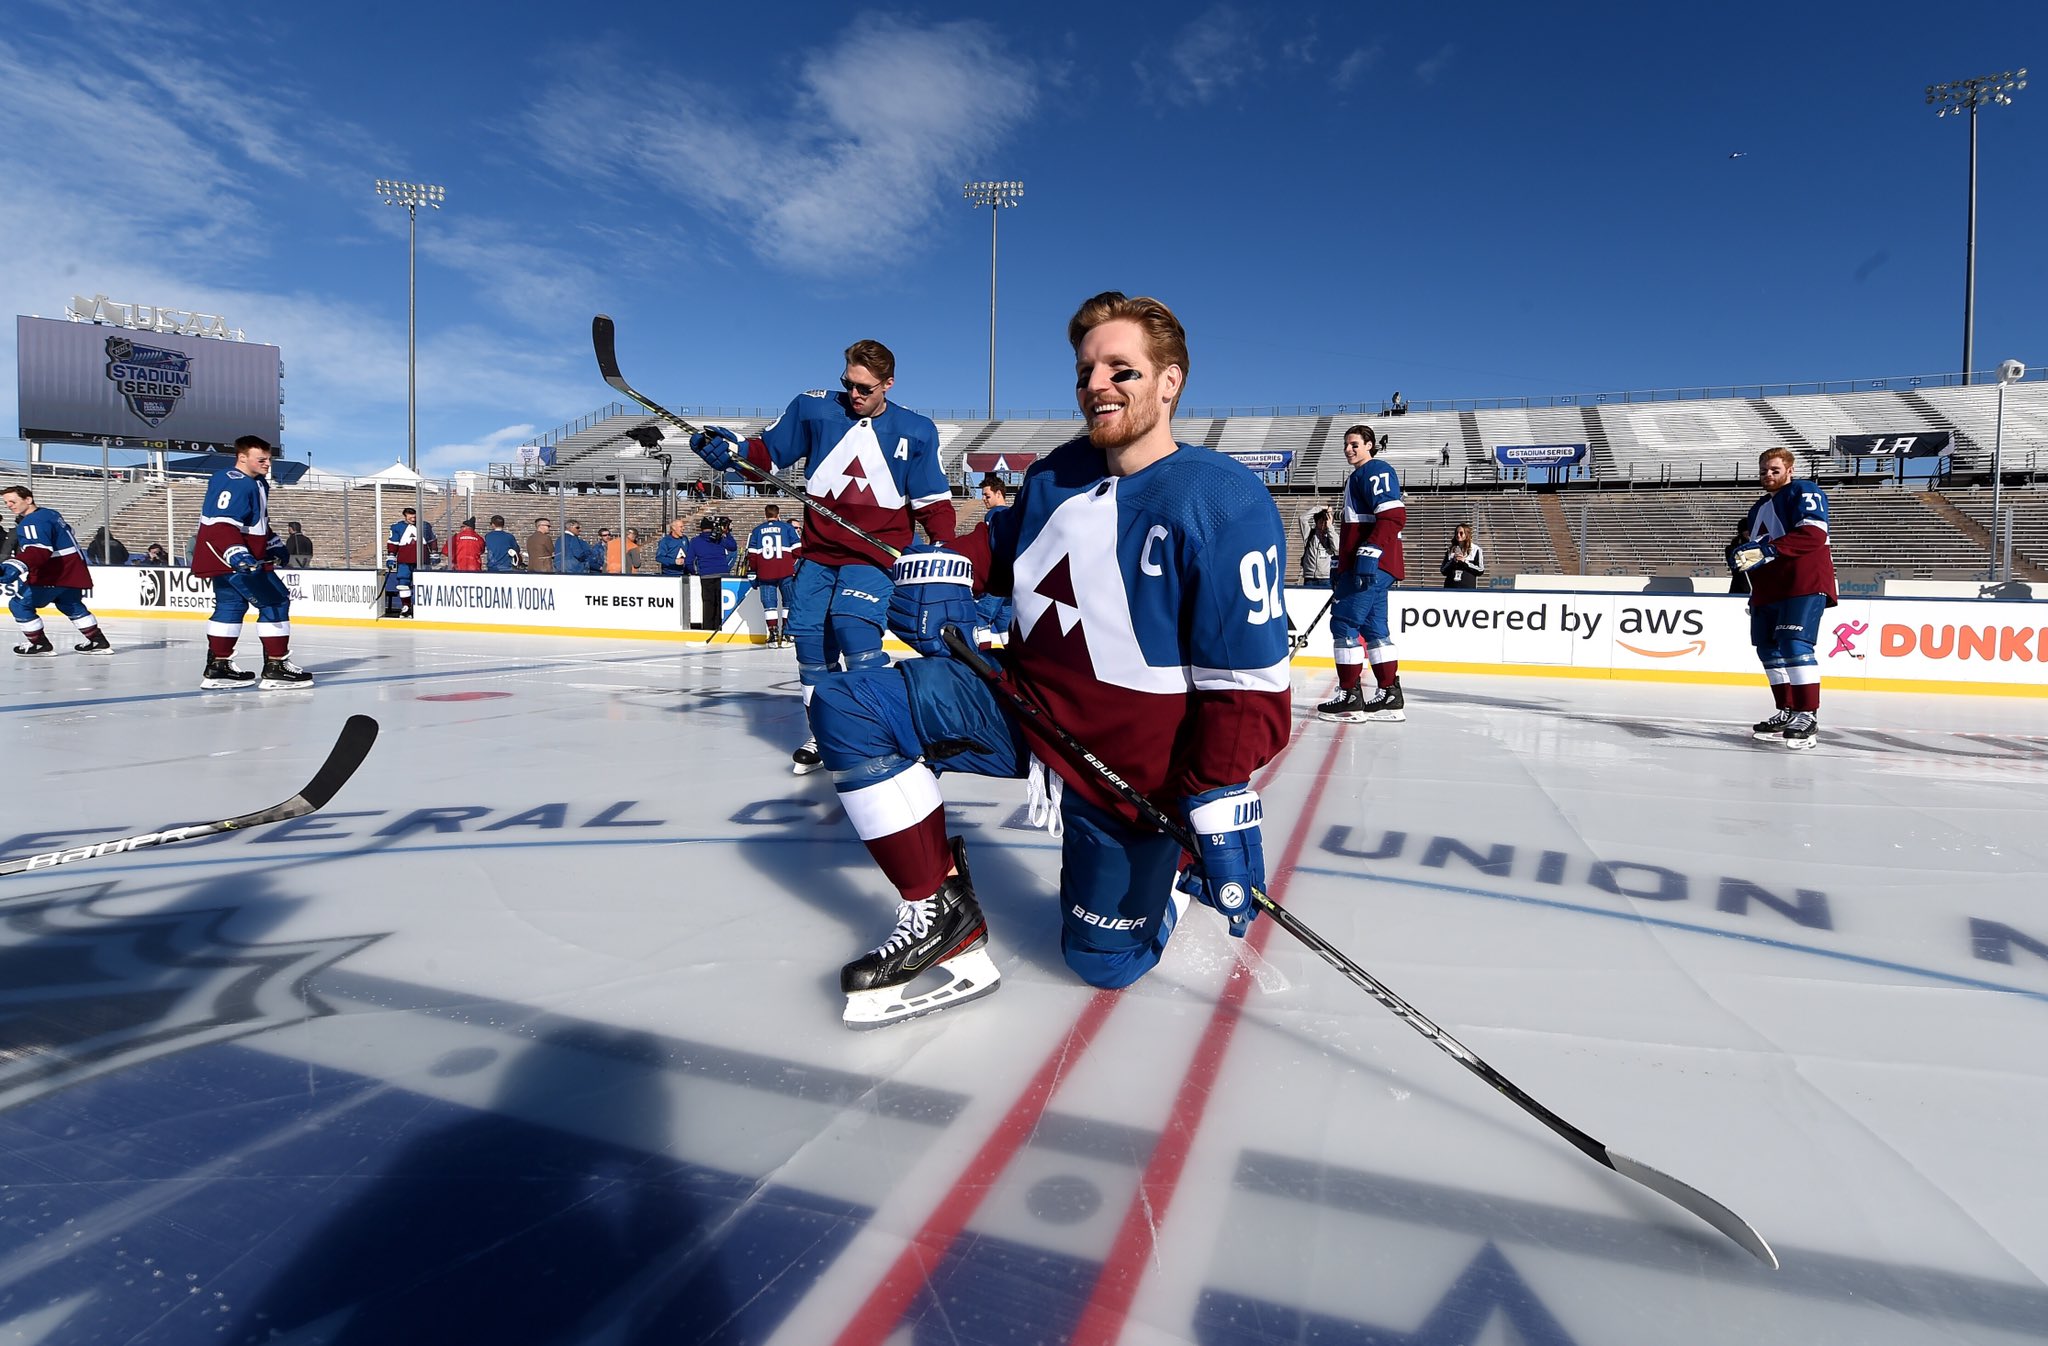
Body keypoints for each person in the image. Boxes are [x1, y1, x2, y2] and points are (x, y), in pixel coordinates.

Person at [805, 290, 1290, 1028]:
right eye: (1087, 370)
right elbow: (998, 545)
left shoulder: (1221, 500)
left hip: (1128, 773)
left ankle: (1158, 880)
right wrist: (942, 570)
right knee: (849, 704)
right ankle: (940, 916)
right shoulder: (1057, 473)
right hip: (1023, 708)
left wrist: (1214, 796)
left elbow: (1248, 684)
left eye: (1121, 370)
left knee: (1100, 965)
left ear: (1171, 382)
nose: (1098, 384)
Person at [687, 339, 956, 775]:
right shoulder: (812, 409)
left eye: (865, 389)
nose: (854, 395)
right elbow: (766, 455)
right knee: (811, 648)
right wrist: (729, 450)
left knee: (856, 635)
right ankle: (827, 732)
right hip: (817, 555)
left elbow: (933, 503)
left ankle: (877, 731)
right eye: (848, 384)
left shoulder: (917, 430)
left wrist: (945, 551)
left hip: (874, 558)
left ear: (888, 385)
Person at [1730, 446, 1837, 749]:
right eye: (1764, 470)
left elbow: (1813, 534)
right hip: (1768, 589)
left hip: (1802, 582)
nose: (1768, 475)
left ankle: (1807, 714)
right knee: (1768, 650)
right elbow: (1758, 554)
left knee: (1794, 644)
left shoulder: (1804, 490)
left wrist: (1768, 550)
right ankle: (1787, 710)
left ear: (1790, 470)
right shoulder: (1758, 507)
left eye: (1774, 470)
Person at [190, 435, 311, 688]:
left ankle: (218, 667)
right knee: (276, 601)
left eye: (269, 459)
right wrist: (237, 553)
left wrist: (273, 542)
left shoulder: (255, 483)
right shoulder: (233, 481)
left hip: (227, 557)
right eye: (262, 459)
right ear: (242, 457)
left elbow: (253, 523)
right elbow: (221, 522)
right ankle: (276, 666)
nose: (268, 464)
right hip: (236, 558)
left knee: (230, 606)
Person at [1317, 424, 1406, 723]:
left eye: (1355, 444)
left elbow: (1393, 515)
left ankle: (1349, 697)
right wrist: (1340, 566)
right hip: (1372, 566)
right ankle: (1389, 694)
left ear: (1370, 445)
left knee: (1343, 625)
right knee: (1375, 630)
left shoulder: (1374, 470)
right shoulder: (1358, 476)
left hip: (1370, 566)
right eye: (1346, 445)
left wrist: (1370, 552)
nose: (1349, 450)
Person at [1, 484, 113, 655]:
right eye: (7, 503)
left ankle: (39, 644)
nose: (9, 505)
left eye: (13, 501)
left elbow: (39, 550)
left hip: (53, 573)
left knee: (19, 604)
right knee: (70, 603)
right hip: (72, 570)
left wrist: (13, 566)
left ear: (28, 499)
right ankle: (98, 641)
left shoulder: (32, 521)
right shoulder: (50, 513)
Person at [745, 504, 802, 646]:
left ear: (765, 514)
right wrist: (792, 563)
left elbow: (752, 555)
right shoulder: (787, 528)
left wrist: (753, 571)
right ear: (778, 514)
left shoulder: (757, 531)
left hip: (765, 573)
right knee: (788, 603)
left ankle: (773, 634)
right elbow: (798, 550)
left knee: (769, 605)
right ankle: (787, 635)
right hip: (786, 572)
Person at [971, 475, 1014, 639]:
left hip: (996, 577)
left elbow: (993, 547)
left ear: (999, 494)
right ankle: (1011, 663)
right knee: (1005, 624)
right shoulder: (1012, 514)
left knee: (980, 618)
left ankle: (981, 662)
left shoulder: (995, 515)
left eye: (986, 495)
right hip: (1010, 580)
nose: (983, 499)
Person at [685, 516, 738, 630]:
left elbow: (689, 561)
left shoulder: (695, 541)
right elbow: (733, 547)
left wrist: (695, 572)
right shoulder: (719, 539)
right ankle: (720, 628)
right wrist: (727, 533)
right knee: (720, 604)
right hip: (722, 574)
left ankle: (708, 629)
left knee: (708, 604)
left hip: (706, 576)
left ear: (701, 528)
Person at [383, 507, 424, 617]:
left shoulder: (424, 526)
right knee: (403, 583)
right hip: (404, 561)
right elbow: (393, 543)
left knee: (422, 583)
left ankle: (420, 607)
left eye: (415, 516)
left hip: (421, 561)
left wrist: (433, 553)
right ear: (405, 516)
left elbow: (431, 540)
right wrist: (391, 556)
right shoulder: (397, 527)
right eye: (410, 516)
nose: (413, 518)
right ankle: (406, 607)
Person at [1298, 507, 1335, 588]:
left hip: (1326, 578)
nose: (1323, 525)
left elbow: (1337, 548)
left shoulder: (1332, 536)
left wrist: (1330, 528)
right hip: (1309, 578)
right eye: (1321, 521)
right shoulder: (1309, 534)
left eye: (1326, 522)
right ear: (1316, 522)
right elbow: (1302, 518)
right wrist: (1321, 508)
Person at [1440, 523, 1485, 589]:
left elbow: (1480, 570)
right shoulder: (1450, 549)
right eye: (1456, 533)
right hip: (1450, 588)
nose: (1458, 535)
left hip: (1468, 590)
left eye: (1461, 533)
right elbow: (1443, 570)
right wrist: (1453, 561)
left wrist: (1465, 562)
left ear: (1467, 534)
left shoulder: (1476, 549)